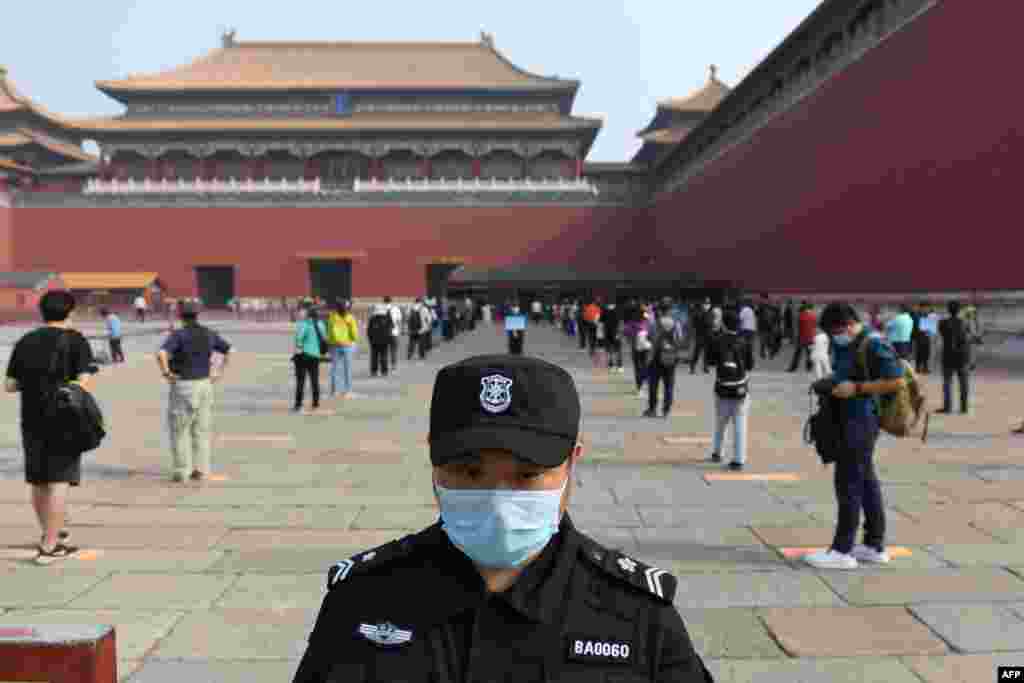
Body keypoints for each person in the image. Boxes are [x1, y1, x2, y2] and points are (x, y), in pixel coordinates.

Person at [293, 354, 714, 683]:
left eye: (527, 475)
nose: (496, 500)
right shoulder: (363, 599)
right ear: (432, 460)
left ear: (572, 463)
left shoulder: (638, 615)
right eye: (468, 473)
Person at [803, 302, 905, 570]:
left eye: (837, 331)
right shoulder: (847, 342)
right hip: (846, 418)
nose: (835, 337)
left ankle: (842, 550)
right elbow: (845, 371)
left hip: (861, 420)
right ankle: (873, 545)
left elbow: (896, 380)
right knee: (866, 480)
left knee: (847, 482)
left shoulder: (873, 343)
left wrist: (857, 387)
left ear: (848, 325)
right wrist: (831, 383)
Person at [5, 291, 99, 565]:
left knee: (39, 480)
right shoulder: (76, 340)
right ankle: (49, 545)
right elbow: (83, 382)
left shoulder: (26, 341)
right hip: (64, 419)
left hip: (32, 417)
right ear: (70, 311)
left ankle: (52, 532)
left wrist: (36, 383)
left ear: (41, 312)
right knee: (59, 480)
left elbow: (10, 386)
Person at [156, 301, 231, 483]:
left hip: (184, 384)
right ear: (198, 315)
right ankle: (202, 469)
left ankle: (182, 471)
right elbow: (228, 350)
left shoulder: (179, 335)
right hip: (205, 384)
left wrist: (166, 372)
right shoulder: (208, 333)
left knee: (180, 429)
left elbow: (161, 354)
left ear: (181, 316)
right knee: (201, 430)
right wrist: (219, 372)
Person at [707, 310, 750, 471]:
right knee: (740, 423)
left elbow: (710, 362)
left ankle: (717, 452)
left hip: (722, 387)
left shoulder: (717, 340)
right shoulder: (745, 341)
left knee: (720, 421)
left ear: (724, 323)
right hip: (740, 387)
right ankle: (738, 459)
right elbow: (750, 364)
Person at [645, 307, 683, 419]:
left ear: (661, 311)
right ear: (670, 310)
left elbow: (649, 337)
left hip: (656, 357)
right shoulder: (676, 324)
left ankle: (652, 409)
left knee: (653, 385)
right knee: (669, 385)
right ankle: (666, 410)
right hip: (670, 357)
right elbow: (680, 340)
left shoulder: (654, 323)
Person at [937, 300, 971, 415]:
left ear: (948, 310)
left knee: (947, 382)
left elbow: (941, 334)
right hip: (962, 356)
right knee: (964, 383)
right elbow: (969, 337)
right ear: (959, 310)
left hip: (948, 356)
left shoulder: (942, 323)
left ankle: (947, 407)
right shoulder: (965, 322)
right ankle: (964, 407)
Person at [293, 305, 328, 413]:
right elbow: (324, 339)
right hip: (315, 356)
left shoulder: (304, 324)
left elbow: (299, 339)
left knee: (300, 381)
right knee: (315, 380)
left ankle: (298, 405)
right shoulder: (321, 325)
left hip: (303, 355)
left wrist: (300, 345)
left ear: (308, 314)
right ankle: (315, 403)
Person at [326, 299, 359, 398]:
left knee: (335, 368)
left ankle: (334, 391)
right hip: (347, 344)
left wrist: (330, 342)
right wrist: (354, 339)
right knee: (347, 368)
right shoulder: (350, 317)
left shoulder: (332, 317)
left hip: (335, 344)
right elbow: (354, 332)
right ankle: (347, 391)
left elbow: (329, 331)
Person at [788, 303, 816, 372]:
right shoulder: (813, 316)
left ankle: (793, 368)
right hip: (810, 338)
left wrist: (795, 337)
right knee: (809, 354)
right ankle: (809, 367)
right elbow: (814, 326)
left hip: (802, 338)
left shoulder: (800, 316)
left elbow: (797, 328)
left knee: (797, 354)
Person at [367, 303, 393, 377]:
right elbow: (391, 329)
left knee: (374, 357)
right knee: (384, 356)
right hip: (384, 341)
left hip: (374, 341)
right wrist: (389, 339)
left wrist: (370, 339)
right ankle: (384, 371)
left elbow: (369, 331)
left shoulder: (372, 318)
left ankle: (374, 371)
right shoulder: (387, 318)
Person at [689, 299, 713, 374]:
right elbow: (694, 324)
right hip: (700, 335)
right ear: (702, 304)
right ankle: (692, 367)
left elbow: (711, 324)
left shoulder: (709, 313)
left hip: (707, 335)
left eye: (708, 303)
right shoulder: (698, 313)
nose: (707, 305)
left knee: (706, 353)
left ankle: (705, 367)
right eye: (706, 303)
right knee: (697, 352)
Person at [601, 302, 623, 372]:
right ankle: (619, 366)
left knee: (610, 350)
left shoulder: (604, 311)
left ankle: (612, 366)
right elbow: (620, 323)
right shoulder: (618, 311)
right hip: (615, 333)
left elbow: (601, 322)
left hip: (608, 333)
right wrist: (619, 333)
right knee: (617, 350)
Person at [384, 296, 403, 373]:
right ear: (391, 301)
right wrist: (399, 329)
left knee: (384, 350)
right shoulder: (396, 308)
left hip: (383, 333)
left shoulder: (379, 308)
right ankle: (393, 365)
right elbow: (399, 320)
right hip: (394, 332)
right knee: (393, 350)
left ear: (383, 301)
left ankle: (384, 365)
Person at [737, 299, 757, 371]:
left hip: (745, 331)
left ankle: (744, 364)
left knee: (743, 348)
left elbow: (739, 319)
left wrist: (738, 331)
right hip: (752, 331)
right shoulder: (751, 310)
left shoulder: (744, 310)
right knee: (750, 348)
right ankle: (750, 365)